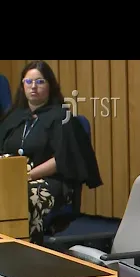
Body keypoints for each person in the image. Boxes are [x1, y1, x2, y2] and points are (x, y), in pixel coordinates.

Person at [0, 60, 102, 245]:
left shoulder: (62, 117)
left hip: (51, 180)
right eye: (29, 81)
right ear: (22, 86)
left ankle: (28, 250)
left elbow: (62, 158)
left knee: (24, 196)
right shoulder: (13, 117)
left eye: (40, 81)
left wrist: (28, 176)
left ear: (50, 86)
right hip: (12, 178)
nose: (33, 86)